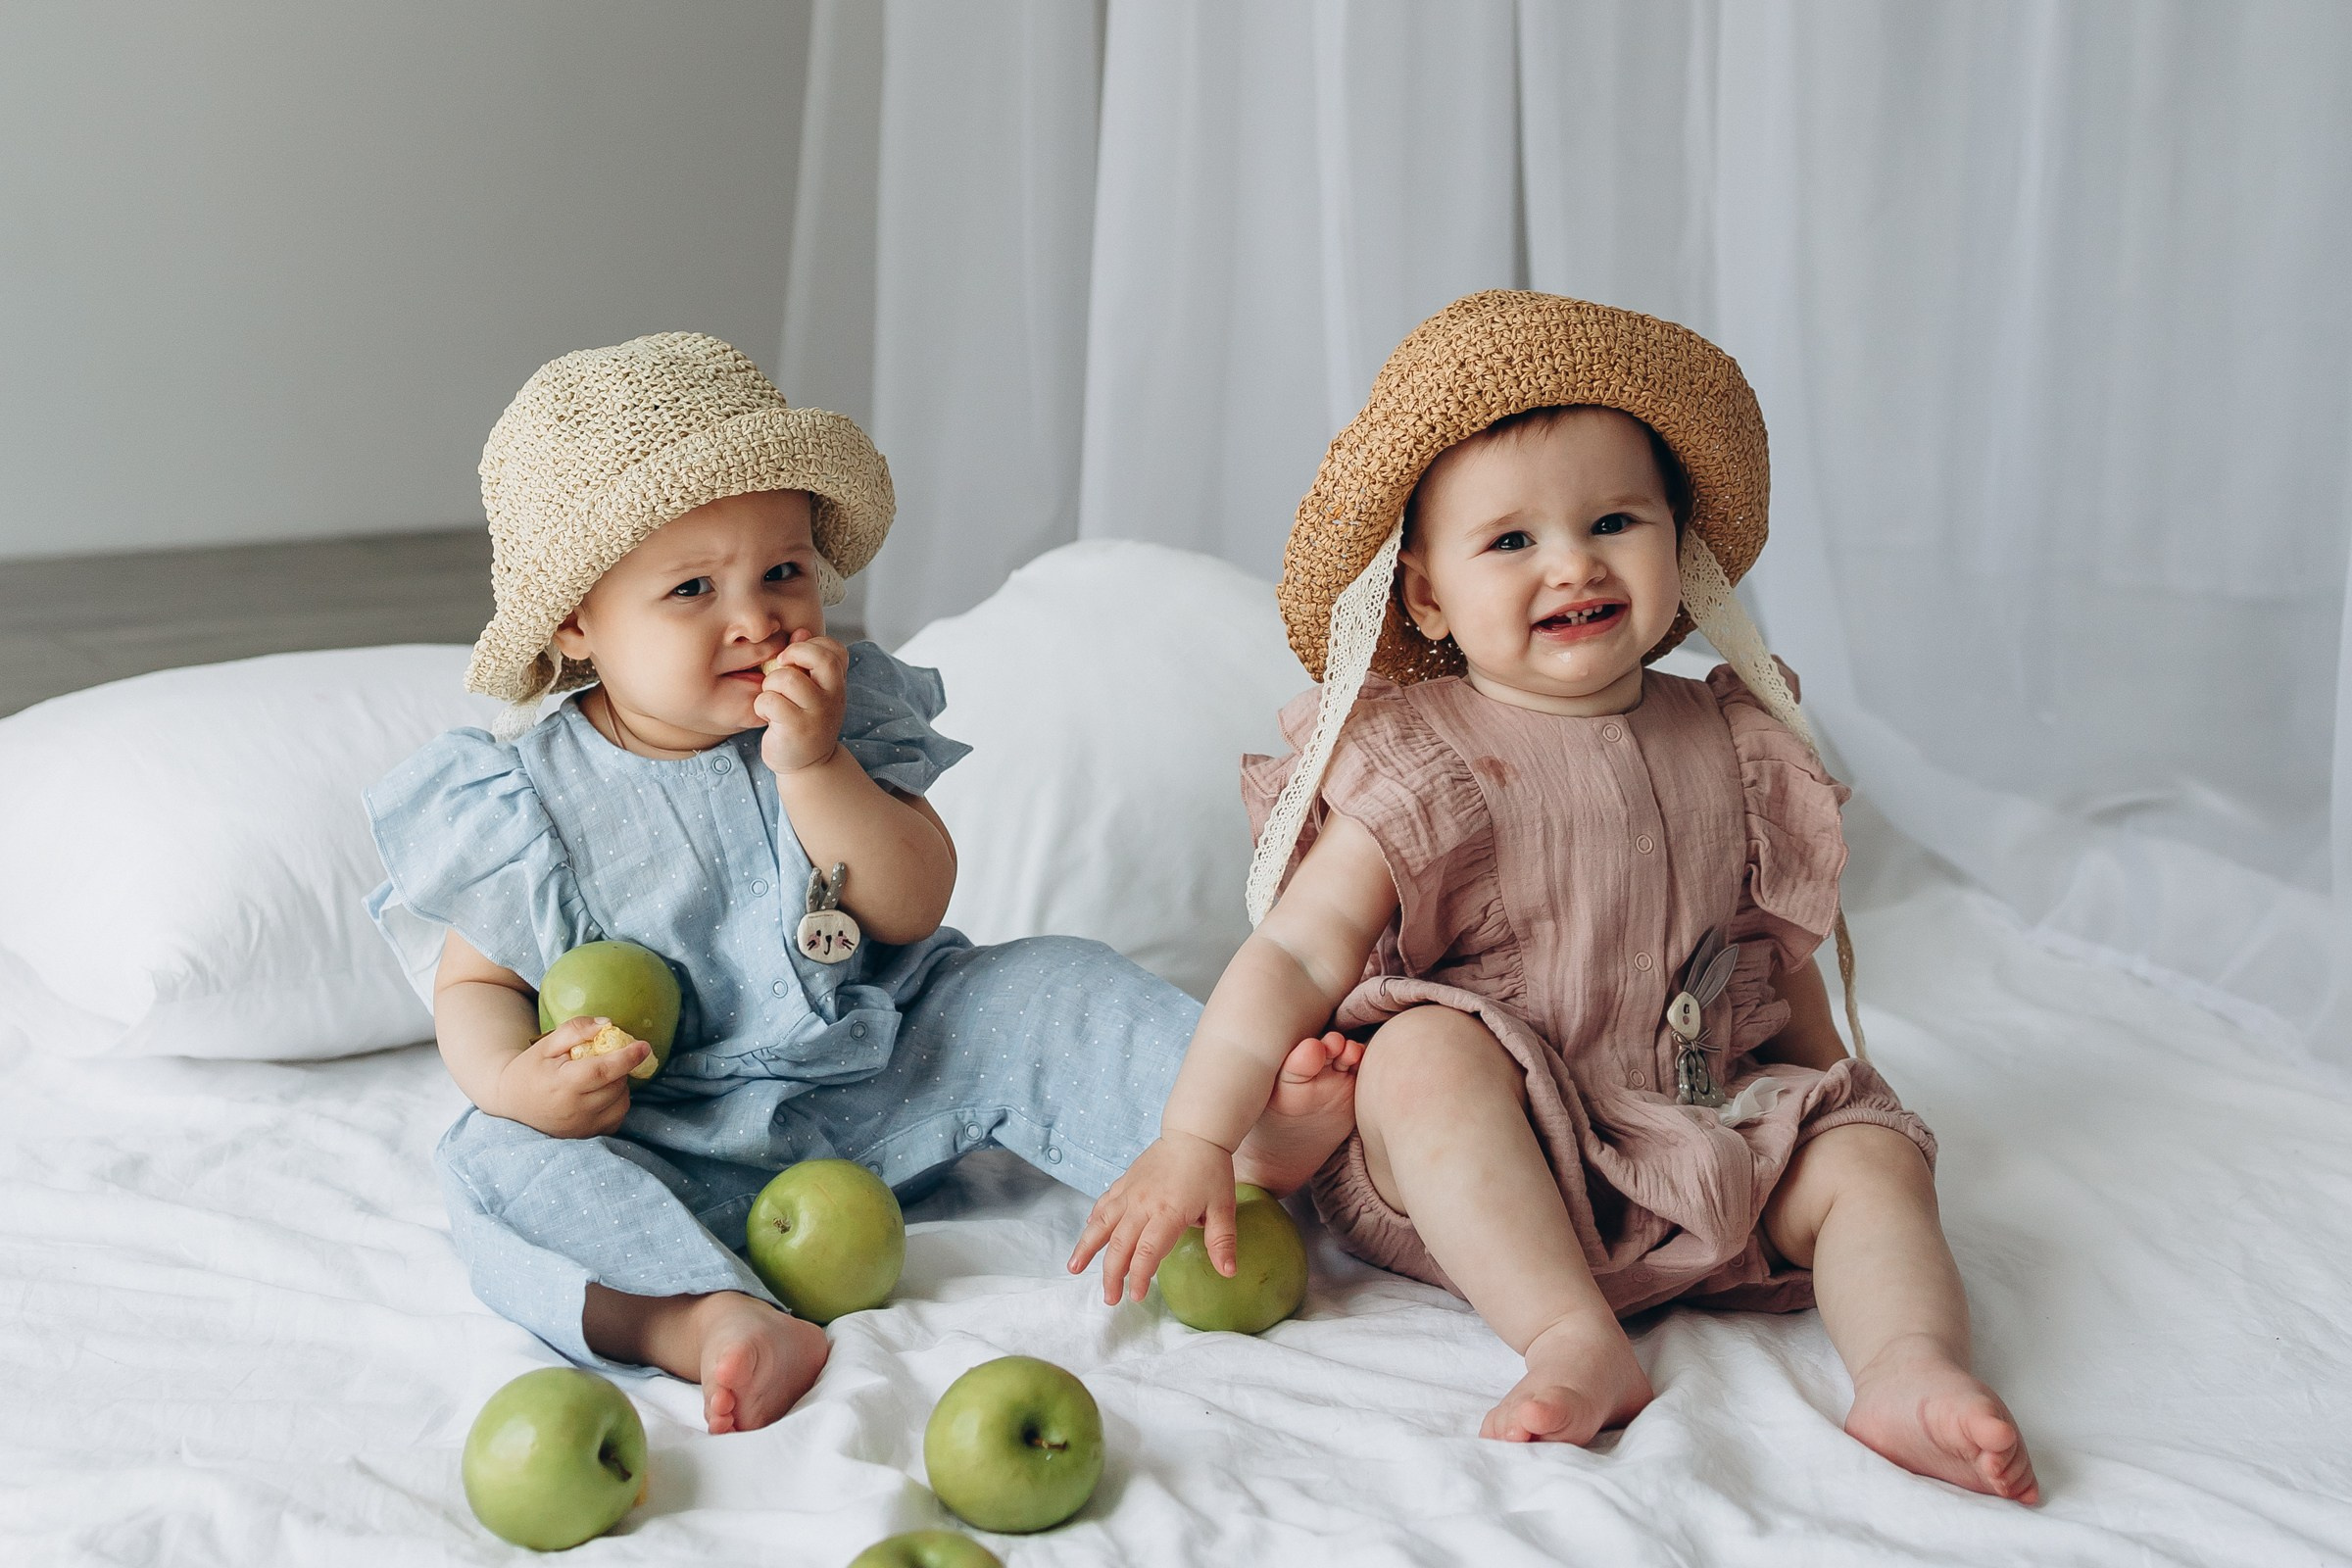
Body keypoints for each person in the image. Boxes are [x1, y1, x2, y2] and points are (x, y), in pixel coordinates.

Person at [1070, 292, 2038, 1504]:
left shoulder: (1731, 735)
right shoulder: (1422, 758)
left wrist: (1835, 1093)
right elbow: (1290, 954)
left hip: (1706, 1136)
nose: (1573, 561)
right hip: (1498, 1165)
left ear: (1674, 547)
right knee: (1420, 1051)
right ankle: (1570, 1334)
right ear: (1424, 597)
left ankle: (1906, 1365)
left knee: (1871, 1157)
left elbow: (1772, 946)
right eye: (1511, 541)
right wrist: (1195, 1136)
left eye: (1612, 520)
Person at [365, 333, 1354, 1434]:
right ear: (577, 622)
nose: (758, 617)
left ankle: (1237, 1127)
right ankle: (705, 1318)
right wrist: (519, 1083)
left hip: (892, 1060)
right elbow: (474, 988)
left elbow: (910, 902)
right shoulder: (521, 798)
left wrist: (816, 766)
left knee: (1046, 984)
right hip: (676, 1131)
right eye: (693, 588)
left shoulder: (841, 711)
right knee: (492, 1167)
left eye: (782, 572)